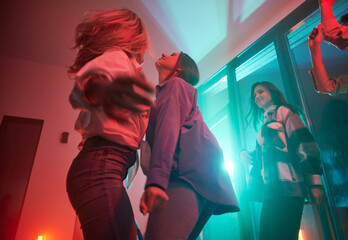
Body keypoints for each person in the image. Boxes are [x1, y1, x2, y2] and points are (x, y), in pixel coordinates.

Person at [66, 9, 154, 240]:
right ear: (135, 39)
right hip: (101, 167)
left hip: (101, 166)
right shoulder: (118, 58)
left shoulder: (117, 61)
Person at [139, 52, 239, 240]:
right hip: (202, 176)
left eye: (172, 54)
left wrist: (156, 181)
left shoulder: (176, 84)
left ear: (179, 68)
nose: (163, 53)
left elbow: (167, 130)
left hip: (187, 176)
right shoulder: (162, 96)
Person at [241, 82, 324, 240]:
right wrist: (243, 154)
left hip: (289, 189)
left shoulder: (285, 112)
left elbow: (305, 144)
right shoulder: (262, 127)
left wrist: (315, 183)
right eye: (254, 95)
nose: (257, 96)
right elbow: (263, 159)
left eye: (260, 92)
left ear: (272, 93)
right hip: (270, 192)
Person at [308, 0, 348, 182]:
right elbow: (327, 87)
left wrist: (325, 5)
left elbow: (335, 34)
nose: (347, 44)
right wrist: (314, 49)